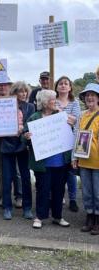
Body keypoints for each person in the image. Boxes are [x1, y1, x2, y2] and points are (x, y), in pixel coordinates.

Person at [23, 90, 72, 229]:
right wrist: (26, 136)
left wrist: (68, 120)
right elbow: (24, 137)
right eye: (52, 100)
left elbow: (72, 128)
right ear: (44, 102)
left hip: (60, 162)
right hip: (43, 164)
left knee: (59, 190)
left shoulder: (61, 116)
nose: (55, 102)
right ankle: (39, 217)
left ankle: (58, 216)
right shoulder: (34, 117)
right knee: (42, 190)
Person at [0, 82, 35, 220]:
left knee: (25, 178)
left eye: (25, 91)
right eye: (20, 91)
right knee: (7, 178)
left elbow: (30, 123)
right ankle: (7, 207)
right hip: (7, 145)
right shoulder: (5, 105)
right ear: (14, 93)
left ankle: (27, 208)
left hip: (22, 146)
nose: (23, 94)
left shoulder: (30, 107)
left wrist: (22, 129)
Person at [73, 83, 99, 234]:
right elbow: (76, 136)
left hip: (97, 162)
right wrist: (74, 157)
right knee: (87, 192)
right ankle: (90, 216)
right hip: (83, 160)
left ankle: (97, 219)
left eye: (93, 95)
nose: (90, 98)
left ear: (98, 98)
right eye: (87, 95)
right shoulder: (82, 116)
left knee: (98, 192)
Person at [54, 76, 81, 212]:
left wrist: (60, 115)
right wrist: (66, 117)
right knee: (58, 171)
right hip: (55, 141)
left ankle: (73, 199)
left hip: (71, 141)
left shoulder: (74, 102)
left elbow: (76, 121)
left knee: (71, 172)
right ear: (57, 87)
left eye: (66, 84)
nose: (63, 85)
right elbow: (51, 119)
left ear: (70, 87)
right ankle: (58, 198)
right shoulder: (53, 101)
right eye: (61, 83)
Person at [0, 79, 22, 208]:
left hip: (15, 142)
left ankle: (19, 196)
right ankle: (2, 197)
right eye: (1, 84)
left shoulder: (16, 101)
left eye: (5, 84)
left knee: (16, 172)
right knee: (1, 172)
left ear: (10, 86)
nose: (3, 86)